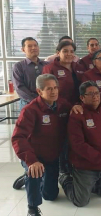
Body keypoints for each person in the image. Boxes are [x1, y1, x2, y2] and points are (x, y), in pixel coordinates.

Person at [11, 74, 71, 216]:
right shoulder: (30, 110)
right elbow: (19, 137)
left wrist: (77, 109)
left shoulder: (63, 105)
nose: (54, 92)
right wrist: (31, 161)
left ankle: (28, 179)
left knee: (50, 195)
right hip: (34, 155)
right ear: (39, 91)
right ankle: (32, 207)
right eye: (49, 89)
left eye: (55, 88)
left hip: (52, 156)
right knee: (34, 171)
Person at [59, 81, 101, 207]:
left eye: (97, 93)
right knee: (80, 201)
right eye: (91, 94)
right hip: (85, 165)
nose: (95, 96)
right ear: (82, 97)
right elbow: (78, 144)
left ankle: (91, 183)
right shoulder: (77, 115)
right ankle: (65, 178)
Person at [11, 37, 49, 190]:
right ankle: (28, 170)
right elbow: (20, 89)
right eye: (29, 46)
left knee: (45, 139)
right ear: (23, 49)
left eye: (35, 45)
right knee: (28, 139)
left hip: (47, 109)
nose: (33, 48)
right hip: (29, 108)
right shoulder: (19, 67)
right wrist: (39, 101)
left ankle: (43, 170)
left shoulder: (47, 65)